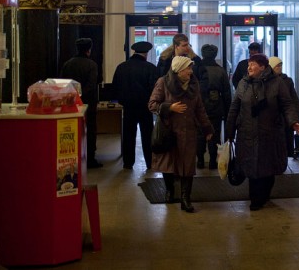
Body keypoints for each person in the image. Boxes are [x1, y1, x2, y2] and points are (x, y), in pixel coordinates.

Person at [225, 53, 299, 211]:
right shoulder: (243, 83)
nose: (249, 67)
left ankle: (264, 195)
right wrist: (229, 131)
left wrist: (294, 121)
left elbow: (287, 104)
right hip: (247, 133)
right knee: (251, 167)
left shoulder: (277, 83)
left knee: (268, 167)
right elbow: (234, 108)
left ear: (262, 67)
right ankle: (255, 199)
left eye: (253, 64)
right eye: (249, 64)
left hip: (270, 132)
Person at [149, 56, 214, 213]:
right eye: (188, 69)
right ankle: (170, 190)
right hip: (169, 132)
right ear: (178, 70)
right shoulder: (163, 82)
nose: (191, 72)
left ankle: (186, 199)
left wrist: (207, 128)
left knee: (187, 166)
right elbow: (152, 104)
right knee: (169, 164)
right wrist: (169, 107)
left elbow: (199, 109)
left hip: (188, 132)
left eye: (191, 68)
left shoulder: (193, 84)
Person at [112, 41, 159, 170]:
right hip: (145, 107)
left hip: (128, 107)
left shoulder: (121, 67)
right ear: (146, 53)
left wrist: (121, 100)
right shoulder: (150, 68)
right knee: (147, 135)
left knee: (128, 134)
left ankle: (128, 163)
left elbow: (115, 87)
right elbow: (154, 89)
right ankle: (150, 162)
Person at [60, 37, 102, 168]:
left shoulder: (67, 64)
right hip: (88, 104)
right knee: (89, 130)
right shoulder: (92, 65)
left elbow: (62, 83)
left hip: (71, 103)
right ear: (88, 50)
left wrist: (73, 96)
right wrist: (82, 95)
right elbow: (91, 85)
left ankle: (73, 157)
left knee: (72, 130)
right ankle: (89, 159)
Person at [196, 44, 232, 170]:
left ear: (202, 54)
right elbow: (227, 93)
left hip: (199, 106)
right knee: (215, 134)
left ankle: (200, 160)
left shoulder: (196, 68)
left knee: (199, 134)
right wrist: (228, 111)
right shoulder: (220, 70)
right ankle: (212, 161)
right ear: (215, 55)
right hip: (216, 106)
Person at [269, 56, 299, 158]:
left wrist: (297, 116)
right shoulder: (267, 80)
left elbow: (293, 98)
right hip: (272, 115)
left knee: (286, 138)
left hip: (285, 115)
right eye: (277, 66)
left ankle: (286, 157)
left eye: (280, 65)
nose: (279, 67)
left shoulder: (287, 80)